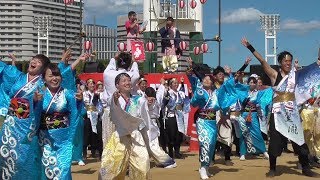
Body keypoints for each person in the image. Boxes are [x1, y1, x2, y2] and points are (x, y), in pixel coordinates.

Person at [241, 37, 319, 177]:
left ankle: (305, 168)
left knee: (299, 140)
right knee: (275, 142)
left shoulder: (295, 76)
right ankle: (272, 168)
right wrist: (250, 47)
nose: (288, 63)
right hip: (277, 114)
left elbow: (310, 73)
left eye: (290, 61)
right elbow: (262, 61)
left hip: (292, 113)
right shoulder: (274, 75)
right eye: (285, 61)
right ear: (280, 63)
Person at [0, 54, 50, 178]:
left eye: (38, 61)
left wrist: (35, 102)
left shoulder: (43, 85)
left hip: (28, 126)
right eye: (33, 59)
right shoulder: (19, 77)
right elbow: (6, 71)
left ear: (43, 68)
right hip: (10, 124)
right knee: (6, 155)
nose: (33, 61)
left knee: (24, 158)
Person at [100, 73, 151, 179]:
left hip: (136, 137)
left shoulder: (139, 100)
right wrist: (114, 98)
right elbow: (112, 105)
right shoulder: (114, 98)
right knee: (113, 169)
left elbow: (145, 121)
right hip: (119, 137)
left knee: (142, 168)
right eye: (124, 81)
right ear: (117, 85)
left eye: (128, 80)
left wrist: (146, 138)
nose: (127, 83)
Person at [186, 59, 230, 179]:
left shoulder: (215, 93)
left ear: (212, 82)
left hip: (212, 121)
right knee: (205, 143)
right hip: (202, 121)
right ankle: (203, 168)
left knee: (211, 144)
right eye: (205, 79)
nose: (206, 80)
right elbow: (192, 80)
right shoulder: (200, 90)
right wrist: (191, 68)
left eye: (209, 79)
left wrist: (228, 75)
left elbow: (227, 87)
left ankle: (205, 167)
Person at [37, 63, 80, 179]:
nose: (54, 78)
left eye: (57, 75)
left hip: (64, 139)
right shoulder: (40, 94)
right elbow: (34, 116)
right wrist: (36, 102)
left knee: (63, 169)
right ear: (44, 79)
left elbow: (75, 115)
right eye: (50, 76)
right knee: (47, 169)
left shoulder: (68, 94)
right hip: (45, 139)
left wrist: (79, 102)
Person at [101, 52, 140, 147]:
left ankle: (109, 161)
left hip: (109, 112)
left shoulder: (107, 73)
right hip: (125, 113)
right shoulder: (131, 76)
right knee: (126, 143)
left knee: (109, 142)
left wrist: (114, 58)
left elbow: (111, 65)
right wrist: (134, 62)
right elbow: (136, 72)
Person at [144, 86, 177, 168]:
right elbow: (161, 92)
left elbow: (161, 92)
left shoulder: (155, 100)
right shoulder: (143, 100)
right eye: (149, 96)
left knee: (153, 144)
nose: (151, 99)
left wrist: (162, 84)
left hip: (151, 124)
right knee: (145, 145)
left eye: (152, 96)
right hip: (145, 124)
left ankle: (167, 161)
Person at [162, 77, 190, 159]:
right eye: (174, 83)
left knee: (179, 135)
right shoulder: (168, 93)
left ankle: (177, 152)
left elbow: (186, 102)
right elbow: (165, 103)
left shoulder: (180, 93)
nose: (176, 84)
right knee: (171, 135)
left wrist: (190, 94)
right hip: (171, 116)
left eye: (176, 83)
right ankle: (171, 153)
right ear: (170, 85)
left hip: (179, 116)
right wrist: (175, 106)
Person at [83, 79, 102, 159]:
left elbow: (99, 106)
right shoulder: (84, 94)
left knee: (95, 134)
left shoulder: (96, 94)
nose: (92, 85)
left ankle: (94, 151)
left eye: (93, 84)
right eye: (90, 84)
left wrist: (97, 110)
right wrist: (93, 108)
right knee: (87, 134)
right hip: (87, 116)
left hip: (95, 116)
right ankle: (84, 152)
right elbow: (87, 105)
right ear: (87, 85)